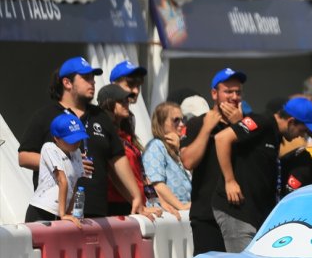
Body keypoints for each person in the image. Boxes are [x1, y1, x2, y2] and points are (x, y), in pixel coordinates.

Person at [18, 56, 148, 219]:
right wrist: (66, 162)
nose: (92, 82)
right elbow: (23, 157)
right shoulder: (45, 115)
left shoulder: (100, 116)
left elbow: (117, 159)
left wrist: (136, 197)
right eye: (86, 78)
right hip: (53, 214)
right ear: (67, 83)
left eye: (93, 78)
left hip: (96, 214)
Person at [213, 97, 312, 252]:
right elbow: (221, 139)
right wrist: (229, 181)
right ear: (291, 122)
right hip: (237, 211)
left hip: (253, 213)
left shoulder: (276, 134)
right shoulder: (263, 122)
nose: (301, 136)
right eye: (302, 131)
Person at [180, 67, 247, 255]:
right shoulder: (197, 124)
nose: (234, 97)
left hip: (239, 214)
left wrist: (239, 126)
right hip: (206, 215)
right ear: (214, 94)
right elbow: (188, 162)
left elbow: (253, 160)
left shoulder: (248, 124)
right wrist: (206, 129)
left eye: (238, 92)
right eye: (228, 91)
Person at [97, 84, 160, 218]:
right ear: (109, 104)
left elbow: (140, 175)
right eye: (121, 101)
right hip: (116, 205)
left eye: (127, 100)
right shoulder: (103, 133)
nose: (127, 104)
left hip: (135, 204)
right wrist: (136, 202)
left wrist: (156, 202)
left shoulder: (127, 135)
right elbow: (113, 173)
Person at [25, 112, 88, 227]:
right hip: (42, 210)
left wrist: (69, 212)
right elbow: (62, 180)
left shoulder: (77, 152)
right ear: (57, 138)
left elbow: (74, 184)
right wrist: (63, 214)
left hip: (60, 212)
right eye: (71, 139)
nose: (76, 143)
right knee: (35, 245)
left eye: (79, 138)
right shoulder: (49, 148)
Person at [142, 102, 192, 215]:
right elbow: (157, 184)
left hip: (182, 213)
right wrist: (181, 206)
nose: (181, 124)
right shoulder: (156, 146)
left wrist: (179, 149)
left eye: (182, 120)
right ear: (161, 123)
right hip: (167, 214)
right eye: (176, 120)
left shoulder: (175, 148)